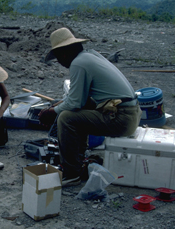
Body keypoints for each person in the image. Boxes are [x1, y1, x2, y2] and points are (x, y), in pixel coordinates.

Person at [39, 28, 141, 186]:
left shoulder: (78, 64)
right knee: (79, 108)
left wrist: (52, 112)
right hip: (132, 114)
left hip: (122, 119)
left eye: (58, 58)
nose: (60, 63)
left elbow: (74, 103)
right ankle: (79, 160)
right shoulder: (90, 56)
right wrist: (56, 106)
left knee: (66, 119)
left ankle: (71, 173)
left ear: (63, 54)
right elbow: (77, 97)